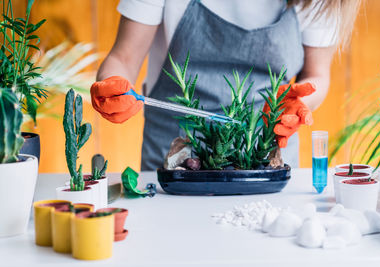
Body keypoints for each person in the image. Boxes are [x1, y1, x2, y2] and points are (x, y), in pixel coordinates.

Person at [91, 0, 361, 171]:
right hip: (172, 164)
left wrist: (298, 104)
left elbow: (317, 75)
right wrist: (111, 85)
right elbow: (123, 58)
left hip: (266, 160)